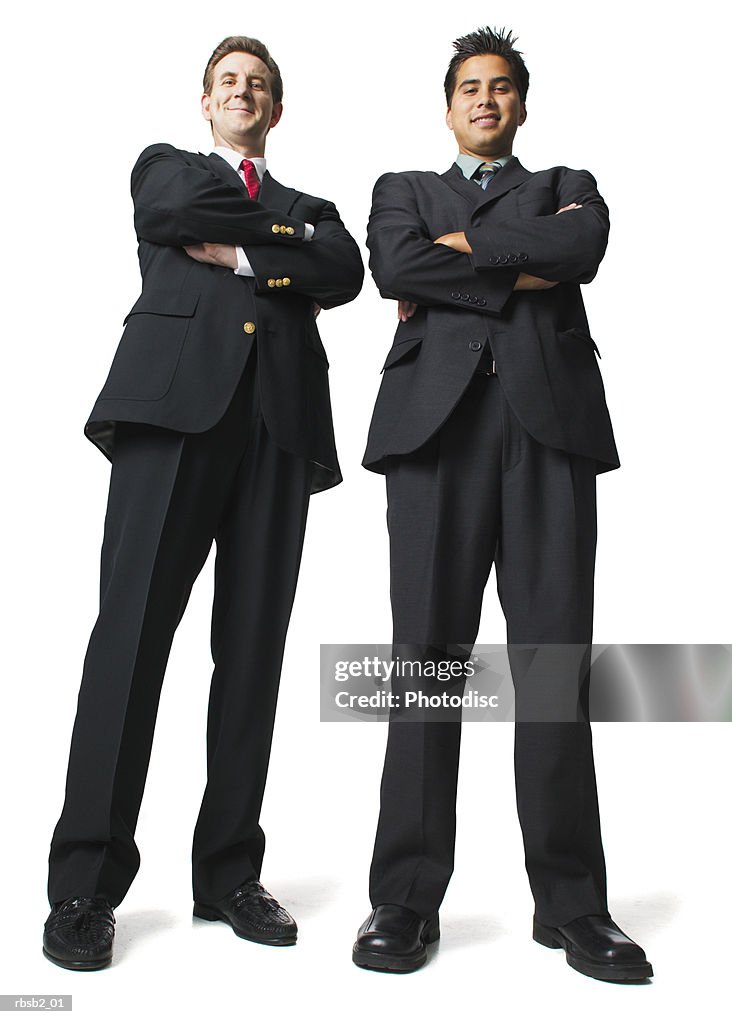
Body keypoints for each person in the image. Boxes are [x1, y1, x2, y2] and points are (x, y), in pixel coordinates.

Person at [43, 34, 363, 971]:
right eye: (229, 80)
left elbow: (340, 269)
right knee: (131, 637)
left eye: (258, 84)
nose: (243, 91)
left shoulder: (316, 207)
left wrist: (239, 253)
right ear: (206, 100)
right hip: (172, 415)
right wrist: (282, 252)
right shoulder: (168, 167)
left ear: (276, 109)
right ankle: (83, 886)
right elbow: (171, 209)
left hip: (278, 429)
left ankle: (227, 872)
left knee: (254, 653)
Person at [352, 26, 652, 982]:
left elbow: (583, 247)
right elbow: (397, 268)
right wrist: (519, 268)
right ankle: (403, 901)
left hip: (547, 430)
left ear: (521, 104)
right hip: (433, 438)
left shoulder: (568, 180)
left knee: (552, 666)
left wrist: (466, 255)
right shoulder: (403, 191)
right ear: (448, 105)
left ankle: (572, 906)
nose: (485, 100)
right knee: (426, 666)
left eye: (502, 88)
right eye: (470, 88)